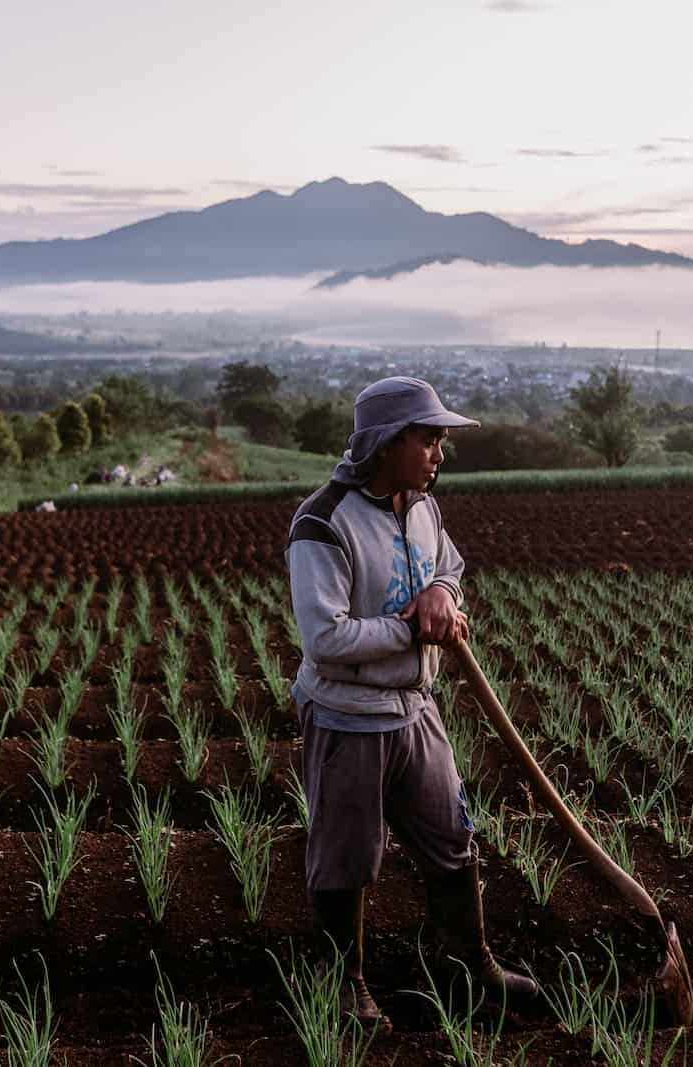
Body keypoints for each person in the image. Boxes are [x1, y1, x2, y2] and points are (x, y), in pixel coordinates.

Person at [285, 376, 537, 1032]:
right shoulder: (323, 521)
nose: (439, 453)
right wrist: (410, 625)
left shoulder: (422, 505)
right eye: (428, 439)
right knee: (347, 857)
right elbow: (326, 637)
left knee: (453, 837)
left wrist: (443, 597)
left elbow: (446, 564)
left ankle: (472, 963)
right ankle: (346, 986)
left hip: (416, 708)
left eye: (440, 440)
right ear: (386, 442)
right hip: (347, 714)